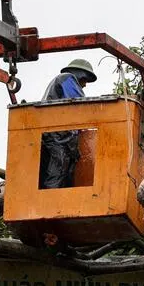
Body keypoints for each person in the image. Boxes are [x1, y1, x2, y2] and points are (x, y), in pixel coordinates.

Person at [39, 59, 97, 189]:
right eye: (85, 81)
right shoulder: (67, 78)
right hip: (57, 137)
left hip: (58, 136)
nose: (85, 85)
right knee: (57, 172)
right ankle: (50, 202)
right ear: (81, 74)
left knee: (63, 173)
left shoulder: (60, 81)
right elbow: (79, 104)